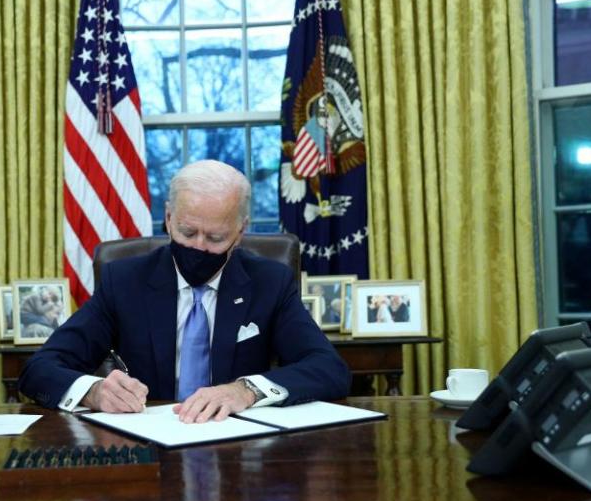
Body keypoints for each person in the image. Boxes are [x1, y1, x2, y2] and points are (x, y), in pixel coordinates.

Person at [18, 160, 351, 423]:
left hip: (240, 450)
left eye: (216, 237)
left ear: (241, 231)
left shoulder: (269, 282)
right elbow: (40, 369)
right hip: (149, 450)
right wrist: (93, 392)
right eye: (188, 231)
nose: (199, 247)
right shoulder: (125, 281)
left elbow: (328, 368)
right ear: (168, 218)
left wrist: (247, 390)